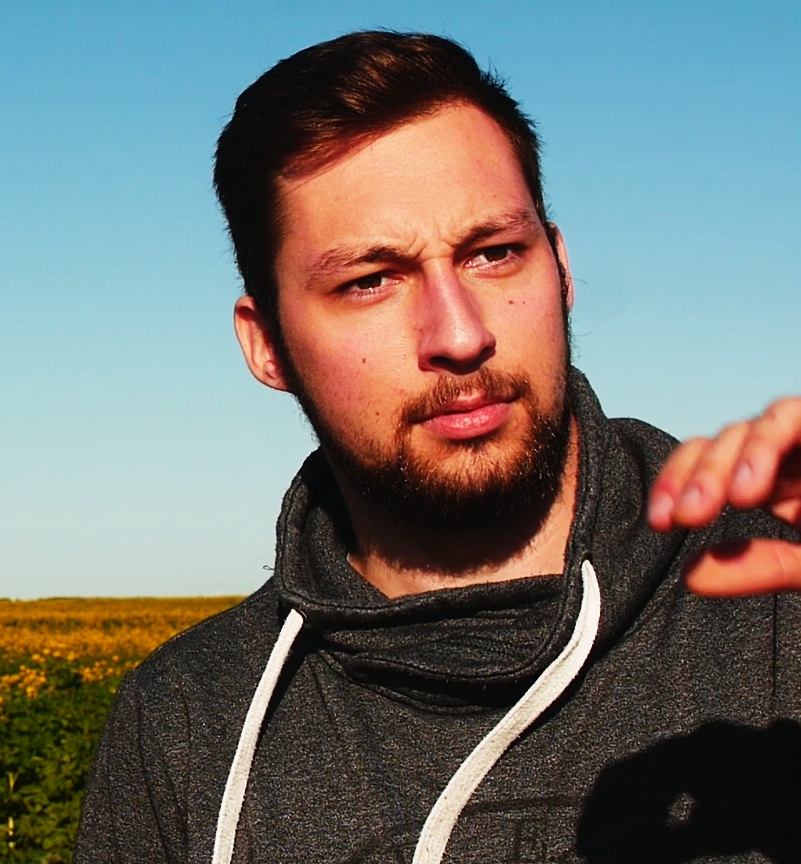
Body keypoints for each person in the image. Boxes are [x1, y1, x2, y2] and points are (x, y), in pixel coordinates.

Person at [74, 31, 801, 864]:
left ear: (561, 268)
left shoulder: (780, 601)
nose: (459, 335)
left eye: (494, 254)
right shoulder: (185, 723)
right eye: (369, 281)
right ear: (266, 343)